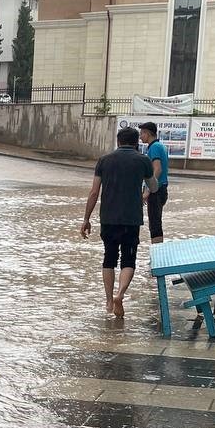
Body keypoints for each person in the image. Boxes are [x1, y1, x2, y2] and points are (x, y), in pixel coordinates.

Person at [82, 126, 158, 318]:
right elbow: (154, 187)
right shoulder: (143, 160)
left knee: (109, 258)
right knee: (128, 259)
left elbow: (93, 192)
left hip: (108, 217)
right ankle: (120, 294)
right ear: (136, 143)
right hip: (131, 219)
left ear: (118, 142)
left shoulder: (104, 161)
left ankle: (108, 302)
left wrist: (86, 219)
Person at [140, 121, 169, 244]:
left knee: (155, 223)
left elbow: (157, 169)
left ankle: (157, 252)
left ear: (148, 133)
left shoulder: (154, 147)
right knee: (156, 222)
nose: (140, 136)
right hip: (161, 189)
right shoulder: (160, 146)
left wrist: (148, 190)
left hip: (156, 191)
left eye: (142, 133)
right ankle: (158, 249)